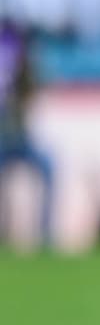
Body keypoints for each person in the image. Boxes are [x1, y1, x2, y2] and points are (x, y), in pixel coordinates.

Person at [0, 20, 54, 248]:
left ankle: (44, 234)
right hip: (3, 142)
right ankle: (4, 232)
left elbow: (36, 92)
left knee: (49, 168)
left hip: (23, 142)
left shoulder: (25, 69)